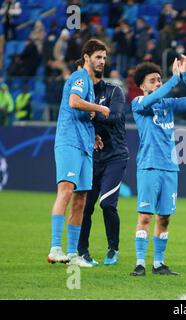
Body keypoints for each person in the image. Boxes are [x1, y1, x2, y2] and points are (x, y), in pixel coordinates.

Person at [130, 55, 186, 276]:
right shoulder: (138, 103)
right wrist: (173, 79)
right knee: (145, 216)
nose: (158, 83)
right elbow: (154, 98)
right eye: (153, 80)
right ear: (142, 86)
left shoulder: (168, 104)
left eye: (159, 80)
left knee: (165, 217)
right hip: (149, 166)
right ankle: (140, 263)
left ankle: (159, 264)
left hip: (170, 167)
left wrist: (185, 75)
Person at [47, 39, 110, 267]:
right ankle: (55, 248)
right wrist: (99, 108)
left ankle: (73, 255)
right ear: (86, 57)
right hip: (69, 142)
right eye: (98, 57)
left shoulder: (89, 85)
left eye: (104, 58)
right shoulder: (80, 77)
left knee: (81, 198)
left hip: (84, 145)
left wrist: (92, 134)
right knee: (66, 191)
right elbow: (74, 102)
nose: (102, 61)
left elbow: (82, 111)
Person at [77, 57, 129, 266]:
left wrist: (93, 114)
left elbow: (115, 115)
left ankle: (113, 248)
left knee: (107, 203)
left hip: (115, 156)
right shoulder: (81, 96)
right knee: (85, 206)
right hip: (91, 157)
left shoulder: (114, 91)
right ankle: (82, 252)